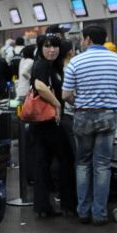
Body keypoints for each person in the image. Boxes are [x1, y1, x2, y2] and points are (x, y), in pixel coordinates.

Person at [62, 25, 117, 226]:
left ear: (88, 39)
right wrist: (116, 95)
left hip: (82, 115)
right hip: (107, 115)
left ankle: (83, 211)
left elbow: (66, 95)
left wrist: (79, 102)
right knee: (103, 165)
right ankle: (99, 214)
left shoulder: (75, 62)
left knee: (82, 163)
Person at [29, 35, 77, 217]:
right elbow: (39, 86)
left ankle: (43, 206)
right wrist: (57, 104)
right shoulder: (41, 65)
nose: (52, 50)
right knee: (65, 160)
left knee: (43, 163)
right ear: (41, 48)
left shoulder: (54, 66)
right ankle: (67, 204)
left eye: (55, 47)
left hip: (46, 122)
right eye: (47, 47)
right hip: (48, 122)